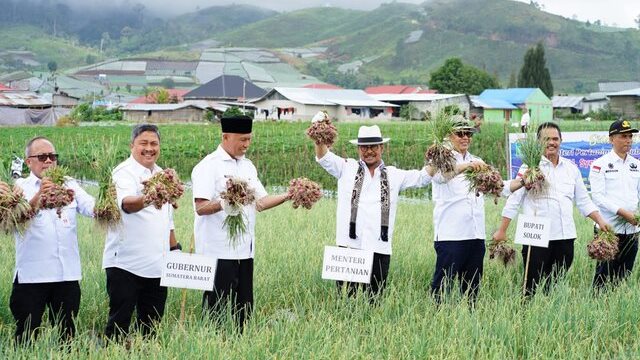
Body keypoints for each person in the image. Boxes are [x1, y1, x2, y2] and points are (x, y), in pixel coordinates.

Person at [313, 124, 433, 300]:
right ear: (358, 149)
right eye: (364, 147)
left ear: (381, 148)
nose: (369, 151)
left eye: (373, 147)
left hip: (379, 247)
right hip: (349, 247)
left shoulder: (394, 174)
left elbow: (423, 177)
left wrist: (439, 155)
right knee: (346, 299)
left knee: (375, 300)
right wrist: (319, 132)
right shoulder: (346, 168)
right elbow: (323, 156)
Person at [192, 115, 289, 330]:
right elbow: (200, 207)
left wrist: (288, 195)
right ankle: (212, 345)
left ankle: (240, 343)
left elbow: (261, 203)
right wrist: (225, 203)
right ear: (226, 137)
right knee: (216, 309)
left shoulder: (248, 166)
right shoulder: (208, 166)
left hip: (245, 250)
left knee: (243, 309)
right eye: (242, 139)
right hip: (218, 251)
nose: (246, 145)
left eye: (249, 140)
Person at [493, 122, 611, 296]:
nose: (551, 143)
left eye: (555, 139)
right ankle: (527, 315)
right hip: (536, 236)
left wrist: (601, 221)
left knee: (556, 283)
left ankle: (549, 313)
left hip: (565, 237)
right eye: (546, 139)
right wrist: (502, 230)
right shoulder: (530, 168)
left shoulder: (571, 169)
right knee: (531, 285)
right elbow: (513, 200)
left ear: (561, 140)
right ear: (538, 142)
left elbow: (584, 200)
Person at [8, 136, 94, 344]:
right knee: (26, 336)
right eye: (43, 157)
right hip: (31, 277)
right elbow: (13, 222)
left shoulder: (69, 183)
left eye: (53, 156)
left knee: (67, 336)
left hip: (66, 275)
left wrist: (111, 203)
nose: (49, 161)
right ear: (29, 162)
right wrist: (39, 196)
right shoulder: (19, 187)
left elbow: (91, 207)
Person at [430, 120, 524, 303]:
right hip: (451, 236)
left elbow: (498, 187)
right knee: (442, 286)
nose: (465, 137)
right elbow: (440, 177)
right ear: (449, 136)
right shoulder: (441, 160)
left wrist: (522, 182)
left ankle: (469, 318)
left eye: (469, 134)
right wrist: (466, 166)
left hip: (475, 235)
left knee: (472, 288)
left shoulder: (478, 161)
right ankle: (438, 318)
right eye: (460, 133)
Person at [102, 124, 181, 339]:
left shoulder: (161, 174)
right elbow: (127, 204)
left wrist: (175, 249)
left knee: (152, 325)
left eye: (154, 143)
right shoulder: (123, 173)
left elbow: (167, 220)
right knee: (119, 324)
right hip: (126, 265)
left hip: (156, 265)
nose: (149, 148)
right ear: (132, 146)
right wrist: (152, 196)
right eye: (143, 143)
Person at [589, 120, 640, 289]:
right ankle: (597, 309)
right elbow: (598, 197)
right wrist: (624, 213)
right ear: (611, 139)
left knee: (624, 275)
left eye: (630, 136)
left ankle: (616, 308)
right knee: (603, 276)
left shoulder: (636, 165)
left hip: (632, 230)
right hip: (608, 229)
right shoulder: (599, 164)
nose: (628, 140)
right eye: (623, 136)